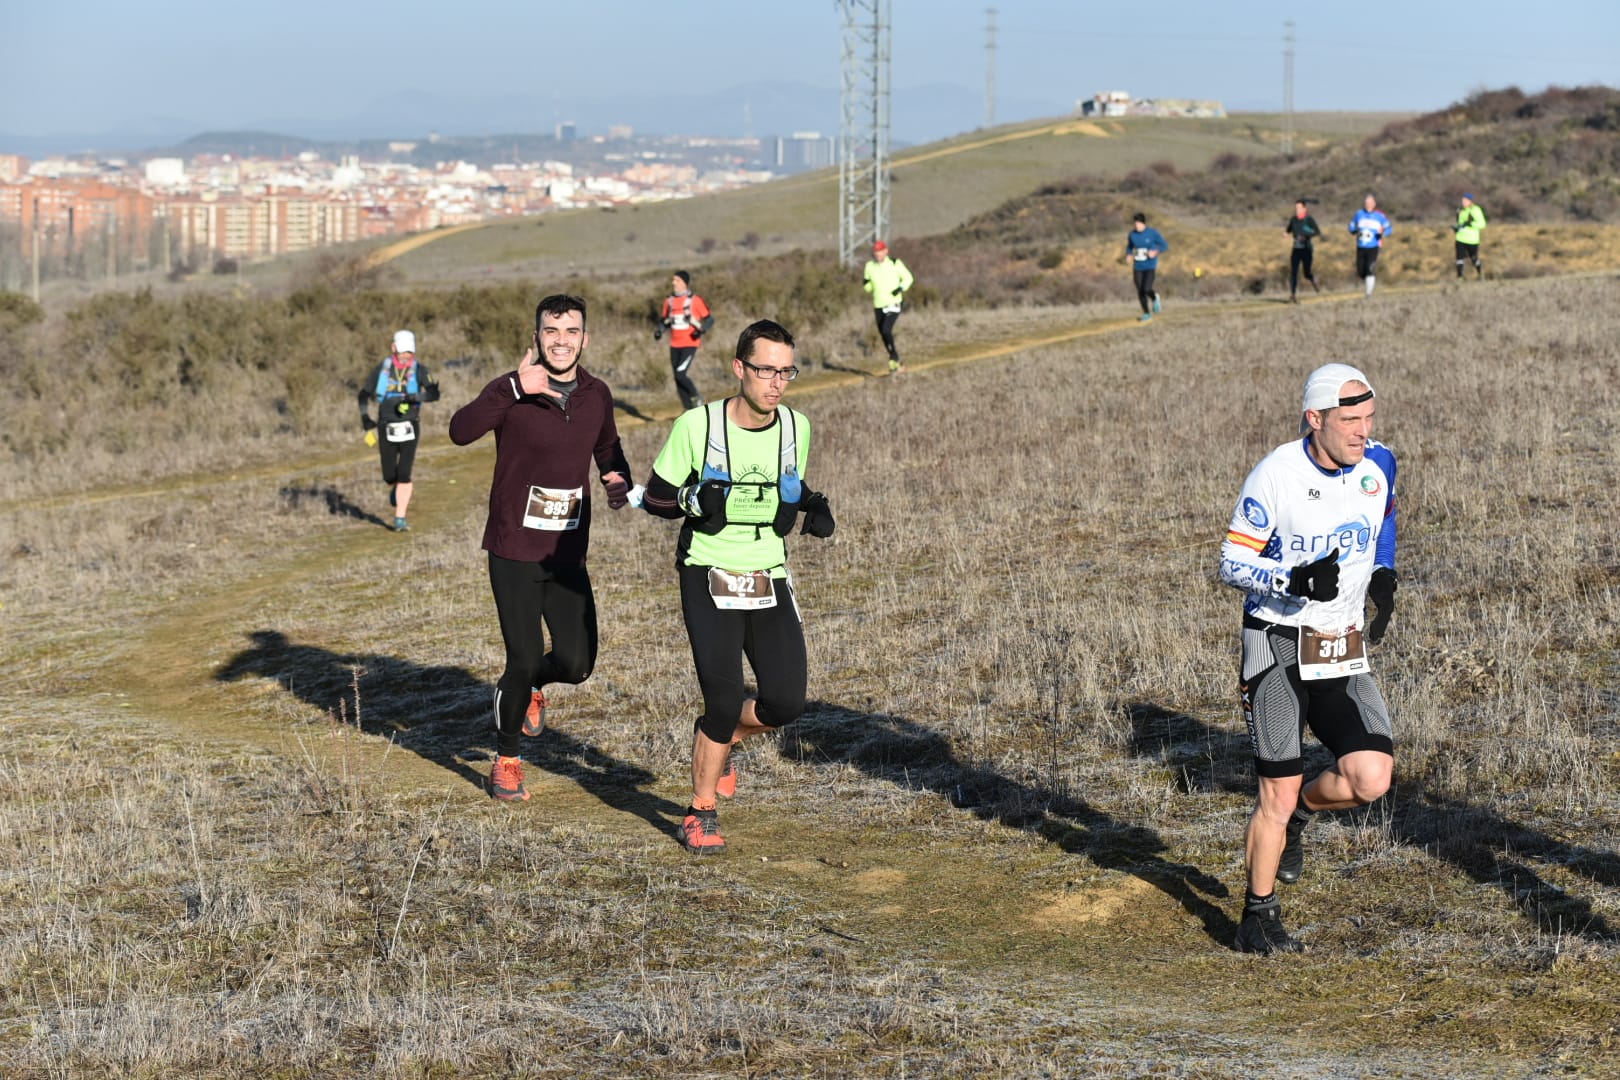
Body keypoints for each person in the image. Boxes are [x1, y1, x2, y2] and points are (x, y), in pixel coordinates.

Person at [1218, 362, 1399, 954]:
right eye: (1350, 421)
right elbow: (1231, 561)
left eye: (1369, 418)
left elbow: (1384, 519)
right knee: (1277, 790)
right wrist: (1291, 577)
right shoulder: (1276, 474)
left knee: (1371, 777)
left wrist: (1383, 572)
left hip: (1341, 644)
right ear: (1314, 419)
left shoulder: (1379, 463)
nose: (1363, 432)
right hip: (1276, 641)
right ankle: (1257, 918)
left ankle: (1301, 818)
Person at [641, 319, 836, 853]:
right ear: (739, 368)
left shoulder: (796, 427)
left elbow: (788, 483)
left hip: (767, 573)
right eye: (766, 370)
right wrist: (693, 500)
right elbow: (655, 497)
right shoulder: (697, 426)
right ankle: (700, 811)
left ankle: (720, 739)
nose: (776, 382)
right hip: (708, 571)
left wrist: (814, 505)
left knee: (785, 703)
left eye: (786, 371)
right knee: (723, 699)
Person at [448, 294, 634, 802]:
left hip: (567, 552)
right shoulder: (513, 390)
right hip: (513, 547)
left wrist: (616, 475)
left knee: (577, 664)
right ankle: (507, 761)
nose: (561, 340)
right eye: (551, 331)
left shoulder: (597, 394)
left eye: (571, 331)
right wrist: (512, 387)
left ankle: (530, 688)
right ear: (536, 337)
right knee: (523, 657)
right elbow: (460, 431)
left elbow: (607, 445)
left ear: (584, 339)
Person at [358, 330, 440, 532]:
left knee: (404, 473)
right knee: (389, 475)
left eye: (409, 353)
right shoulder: (383, 369)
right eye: (403, 352)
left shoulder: (419, 369)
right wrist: (365, 418)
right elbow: (363, 394)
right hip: (386, 425)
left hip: (410, 425)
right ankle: (395, 489)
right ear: (393, 348)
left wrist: (415, 398)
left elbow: (434, 393)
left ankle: (400, 518)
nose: (406, 356)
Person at [653, 270, 714, 410]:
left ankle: (696, 397)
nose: (673, 283)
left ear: (685, 283)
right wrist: (659, 331)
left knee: (681, 374)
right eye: (673, 280)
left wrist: (701, 331)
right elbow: (665, 321)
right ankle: (689, 409)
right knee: (677, 377)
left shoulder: (695, 301)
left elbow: (710, 320)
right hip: (674, 344)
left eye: (677, 280)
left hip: (690, 343)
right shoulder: (669, 301)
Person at [862, 240, 914, 373]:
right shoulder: (869, 266)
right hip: (878, 304)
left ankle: (893, 359)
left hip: (894, 303)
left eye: (880, 251)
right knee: (883, 333)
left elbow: (908, 278)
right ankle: (896, 360)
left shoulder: (895, 263)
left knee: (886, 329)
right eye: (876, 252)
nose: (878, 254)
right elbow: (867, 286)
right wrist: (867, 285)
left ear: (886, 251)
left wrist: (900, 288)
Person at [1122, 212, 1169, 321]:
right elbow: (1129, 247)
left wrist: (1155, 252)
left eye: (1138, 223)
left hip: (1150, 265)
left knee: (1146, 288)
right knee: (1140, 290)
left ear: (1144, 223)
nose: (1136, 226)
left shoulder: (1152, 233)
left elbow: (1164, 245)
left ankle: (1154, 297)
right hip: (1138, 266)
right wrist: (1128, 255)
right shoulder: (1132, 235)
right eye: (1135, 223)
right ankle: (1146, 313)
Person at [1348, 194, 1393, 298]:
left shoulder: (1379, 216)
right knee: (1361, 271)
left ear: (1374, 204)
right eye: (1366, 203)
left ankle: (1368, 294)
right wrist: (1353, 230)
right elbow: (1352, 226)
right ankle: (1368, 282)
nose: (1368, 205)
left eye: (1370, 203)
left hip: (1373, 247)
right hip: (1360, 246)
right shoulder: (1359, 214)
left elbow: (1389, 229)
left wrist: (1383, 233)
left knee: (1370, 269)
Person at [1284, 199, 1321, 302]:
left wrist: (1307, 234)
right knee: (1294, 272)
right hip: (1296, 249)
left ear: (1304, 209)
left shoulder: (1309, 219)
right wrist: (1286, 233)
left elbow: (1317, 232)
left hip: (1306, 249)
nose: (1297, 210)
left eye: (1299, 208)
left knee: (1306, 273)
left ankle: (1312, 279)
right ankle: (1293, 295)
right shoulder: (1293, 220)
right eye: (1296, 208)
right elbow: (1289, 228)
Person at [1454, 193, 1486, 280]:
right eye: (1462, 200)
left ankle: (1480, 274)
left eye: (1465, 201)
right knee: (1459, 258)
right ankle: (1459, 277)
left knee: (1474, 258)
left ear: (1470, 201)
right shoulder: (1460, 210)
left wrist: (1470, 224)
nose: (1463, 202)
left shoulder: (1475, 210)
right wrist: (1457, 228)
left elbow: (1482, 224)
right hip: (1460, 238)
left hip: (1472, 239)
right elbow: (1460, 223)